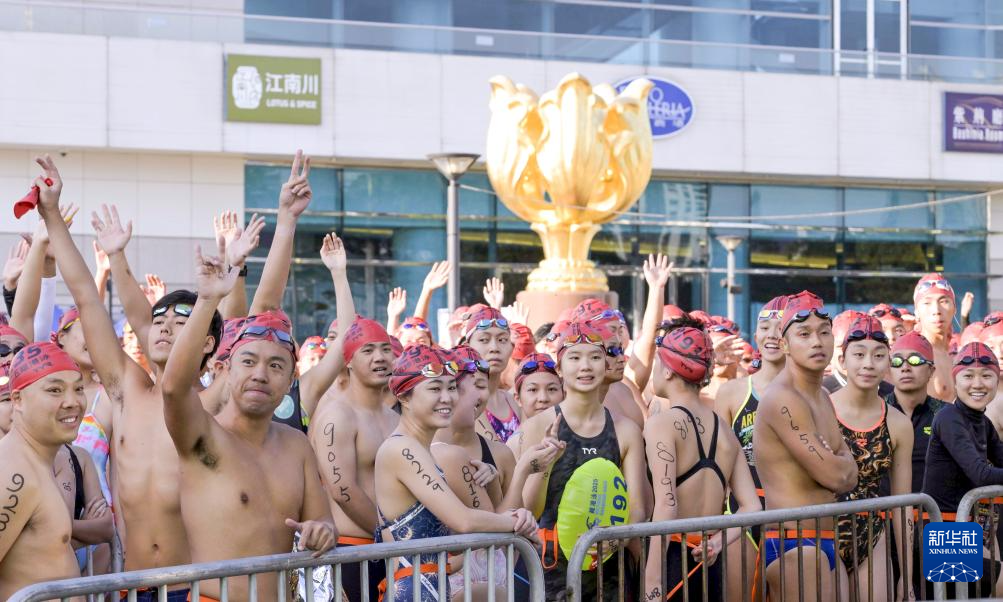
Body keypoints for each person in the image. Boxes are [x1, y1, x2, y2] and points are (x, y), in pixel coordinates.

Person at [38, 155, 234, 585]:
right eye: (158, 320)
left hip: (194, 588)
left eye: (179, 323)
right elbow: (86, 296)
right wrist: (52, 215)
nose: (164, 328)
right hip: (132, 584)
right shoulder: (127, 390)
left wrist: (222, 286)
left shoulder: (216, 402)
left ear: (206, 342)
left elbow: (247, 343)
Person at [160, 242, 336, 602]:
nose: (260, 374)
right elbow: (174, 388)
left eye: (275, 366)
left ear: (290, 381)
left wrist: (323, 531)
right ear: (225, 369)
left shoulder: (296, 445)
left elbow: (324, 521)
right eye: (248, 361)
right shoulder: (204, 437)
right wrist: (207, 301)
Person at [374, 344, 540, 601]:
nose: (447, 398)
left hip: (433, 589)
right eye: (434, 389)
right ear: (404, 398)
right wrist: (519, 523)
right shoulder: (402, 448)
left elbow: (451, 540)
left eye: (451, 387)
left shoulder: (420, 449)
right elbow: (463, 520)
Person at [517, 320, 648, 601]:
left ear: (606, 364)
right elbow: (529, 508)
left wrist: (617, 538)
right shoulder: (538, 426)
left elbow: (639, 506)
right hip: (550, 570)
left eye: (595, 358)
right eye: (575, 358)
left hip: (608, 571)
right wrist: (545, 465)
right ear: (560, 368)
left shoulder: (625, 431)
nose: (585, 367)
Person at [432, 345, 563, 600]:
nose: (477, 395)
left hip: (498, 578)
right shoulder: (432, 451)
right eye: (467, 387)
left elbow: (515, 526)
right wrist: (523, 471)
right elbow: (496, 525)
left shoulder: (499, 453)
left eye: (482, 385)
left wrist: (528, 472)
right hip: (453, 583)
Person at [642, 326, 761, 601]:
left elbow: (667, 506)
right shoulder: (725, 430)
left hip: (672, 560)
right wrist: (716, 543)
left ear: (668, 370)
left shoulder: (661, 424)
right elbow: (752, 507)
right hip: (709, 563)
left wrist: (653, 581)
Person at [754, 291, 858, 602]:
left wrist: (840, 462)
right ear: (784, 344)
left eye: (824, 332)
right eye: (804, 334)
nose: (817, 342)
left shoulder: (823, 396)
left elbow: (850, 476)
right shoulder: (783, 399)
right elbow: (838, 477)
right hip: (794, 545)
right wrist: (839, 460)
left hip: (824, 539)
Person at [309, 303, 401, 602]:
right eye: (368, 350)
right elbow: (342, 490)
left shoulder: (395, 418)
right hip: (352, 551)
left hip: (392, 548)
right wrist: (388, 534)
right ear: (348, 360)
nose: (380, 357)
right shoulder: (338, 416)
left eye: (385, 349)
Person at [830, 314, 913, 601]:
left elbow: (903, 504)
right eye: (859, 354)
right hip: (824, 532)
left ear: (888, 363)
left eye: (878, 355)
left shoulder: (898, 424)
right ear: (843, 360)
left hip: (871, 534)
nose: (868, 363)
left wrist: (906, 578)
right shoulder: (821, 410)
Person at [0, 342, 86, 599]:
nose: (72, 402)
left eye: (78, 389)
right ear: (17, 399)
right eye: (54, 390)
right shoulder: (14, 473)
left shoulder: (35, 462)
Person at [714, 295, 787, 597]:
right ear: (755, 334)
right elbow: (718, 463)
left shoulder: (811, 394)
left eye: (780, 328)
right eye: (765, 328)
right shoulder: (731, 393)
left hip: (788, 512)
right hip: (740, 512)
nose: (772, 335)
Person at [923, 342, 1003, 598]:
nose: (977, 384)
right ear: (955, 382)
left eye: (986, 376)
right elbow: (981, 474)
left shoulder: (982, 422)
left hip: (966, 531)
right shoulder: (949, 418)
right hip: (944, 536)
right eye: (968, 376)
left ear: (997, 381)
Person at [885, 332, 945, 493]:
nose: (905, 368)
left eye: (915, 360)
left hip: (933, 508)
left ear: (931, 370)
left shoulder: (946, 416)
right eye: (896, 361)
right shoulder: (876, 412)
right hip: (883, 508)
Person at [460, 306, 522, 443]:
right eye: (484, 340)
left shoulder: (515, 401)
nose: (494, 348)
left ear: (511, 348)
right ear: (467, 347)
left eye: (502, 340)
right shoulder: (460, 404)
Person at [913, 273, 958, 402]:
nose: (936, 310)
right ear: (917, 312)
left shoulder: (953, 357)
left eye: (943, 301)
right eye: (927, 303)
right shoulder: (913, 355)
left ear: (954, 309)